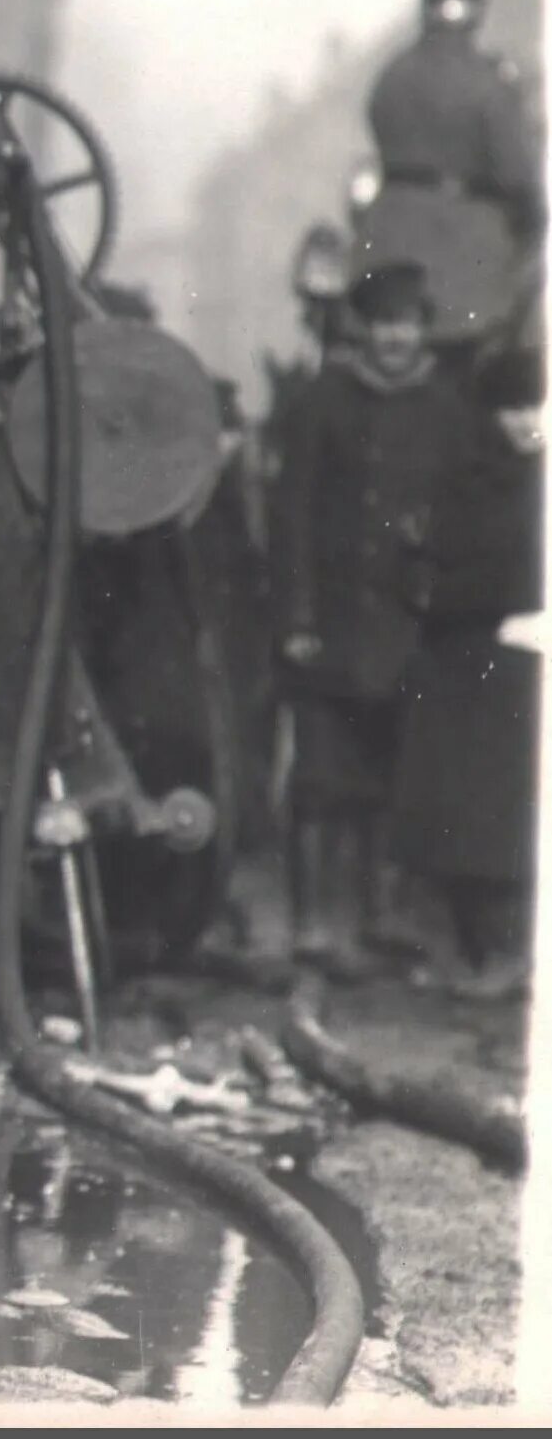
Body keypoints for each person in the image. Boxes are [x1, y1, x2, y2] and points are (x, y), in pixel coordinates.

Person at [271, 260, 468, 976]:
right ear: (363, 328)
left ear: (424, 330)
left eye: (407, 324)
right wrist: (294, 615)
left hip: (401, 627)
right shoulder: (325, 399)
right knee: (318, 776)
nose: (393, 338)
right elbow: (290, 511)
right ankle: (313, 922)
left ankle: (378, 915)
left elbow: (457, 516)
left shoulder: (445, 411)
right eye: (383, 323)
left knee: (391, 778)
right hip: (329, 621)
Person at [395, 343, 541, 1002]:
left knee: (510, 813)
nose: (526, 421)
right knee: (459, 810)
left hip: (524, 661)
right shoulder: (471, 473)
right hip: (464, 658)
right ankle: (466, 945)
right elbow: (429, 554)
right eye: (511, 407)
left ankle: (512, 949)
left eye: (536, 405)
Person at [357, 0, 543, 349]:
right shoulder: (490, 82)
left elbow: (377, 127)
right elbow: (518, 176)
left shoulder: (393, 74)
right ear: (478, 6)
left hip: (386, 237)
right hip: (469, 251)